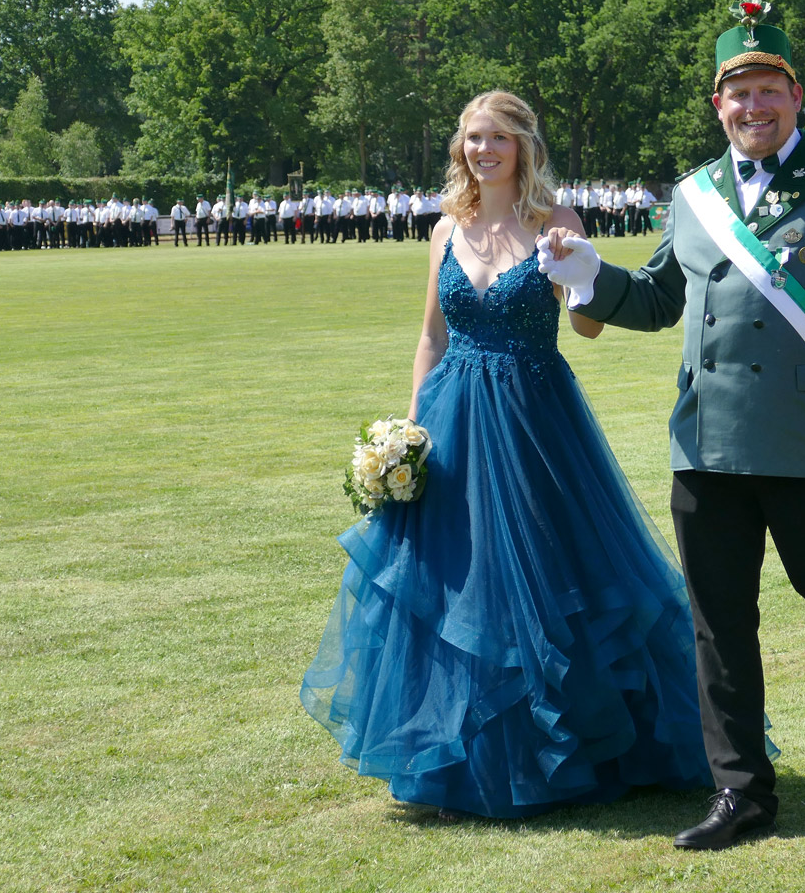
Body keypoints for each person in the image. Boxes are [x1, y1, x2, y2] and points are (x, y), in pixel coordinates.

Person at [539, 0, 805, 850]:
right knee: (718, 623)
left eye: (767, 91)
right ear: (717, 105)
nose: (753, 107)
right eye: (737, 94)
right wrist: (590, 275)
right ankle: (742, 793)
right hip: (705, 444)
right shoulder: (692, 196)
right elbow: (656, 298)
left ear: (796, 97)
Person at [301, 90, 719, 821]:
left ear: (524, 145)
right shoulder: (445, 227)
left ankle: (573, 751)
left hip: (533, 421)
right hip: (453, 421)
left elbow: (586, 328)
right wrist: (408, 433)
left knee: (550, 572)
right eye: (472, 137)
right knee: (454, 582)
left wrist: (577, 271)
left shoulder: (557, 222)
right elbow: (431, 337)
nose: (483, 150)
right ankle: (460, 757)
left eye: (498, 137)